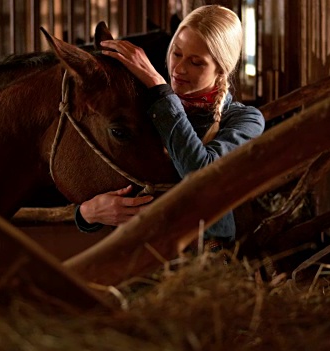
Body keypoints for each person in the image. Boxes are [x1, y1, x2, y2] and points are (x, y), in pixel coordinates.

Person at [74, 5, 265, 247]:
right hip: (132, 253)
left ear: (221, 69)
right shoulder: (142, 104)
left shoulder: (245, 121)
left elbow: (203, 176)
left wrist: (158, 87)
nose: (179, 69)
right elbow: (100, 164)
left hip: (200, 262)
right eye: (176, 54)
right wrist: (87, 213)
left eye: (196, 62)